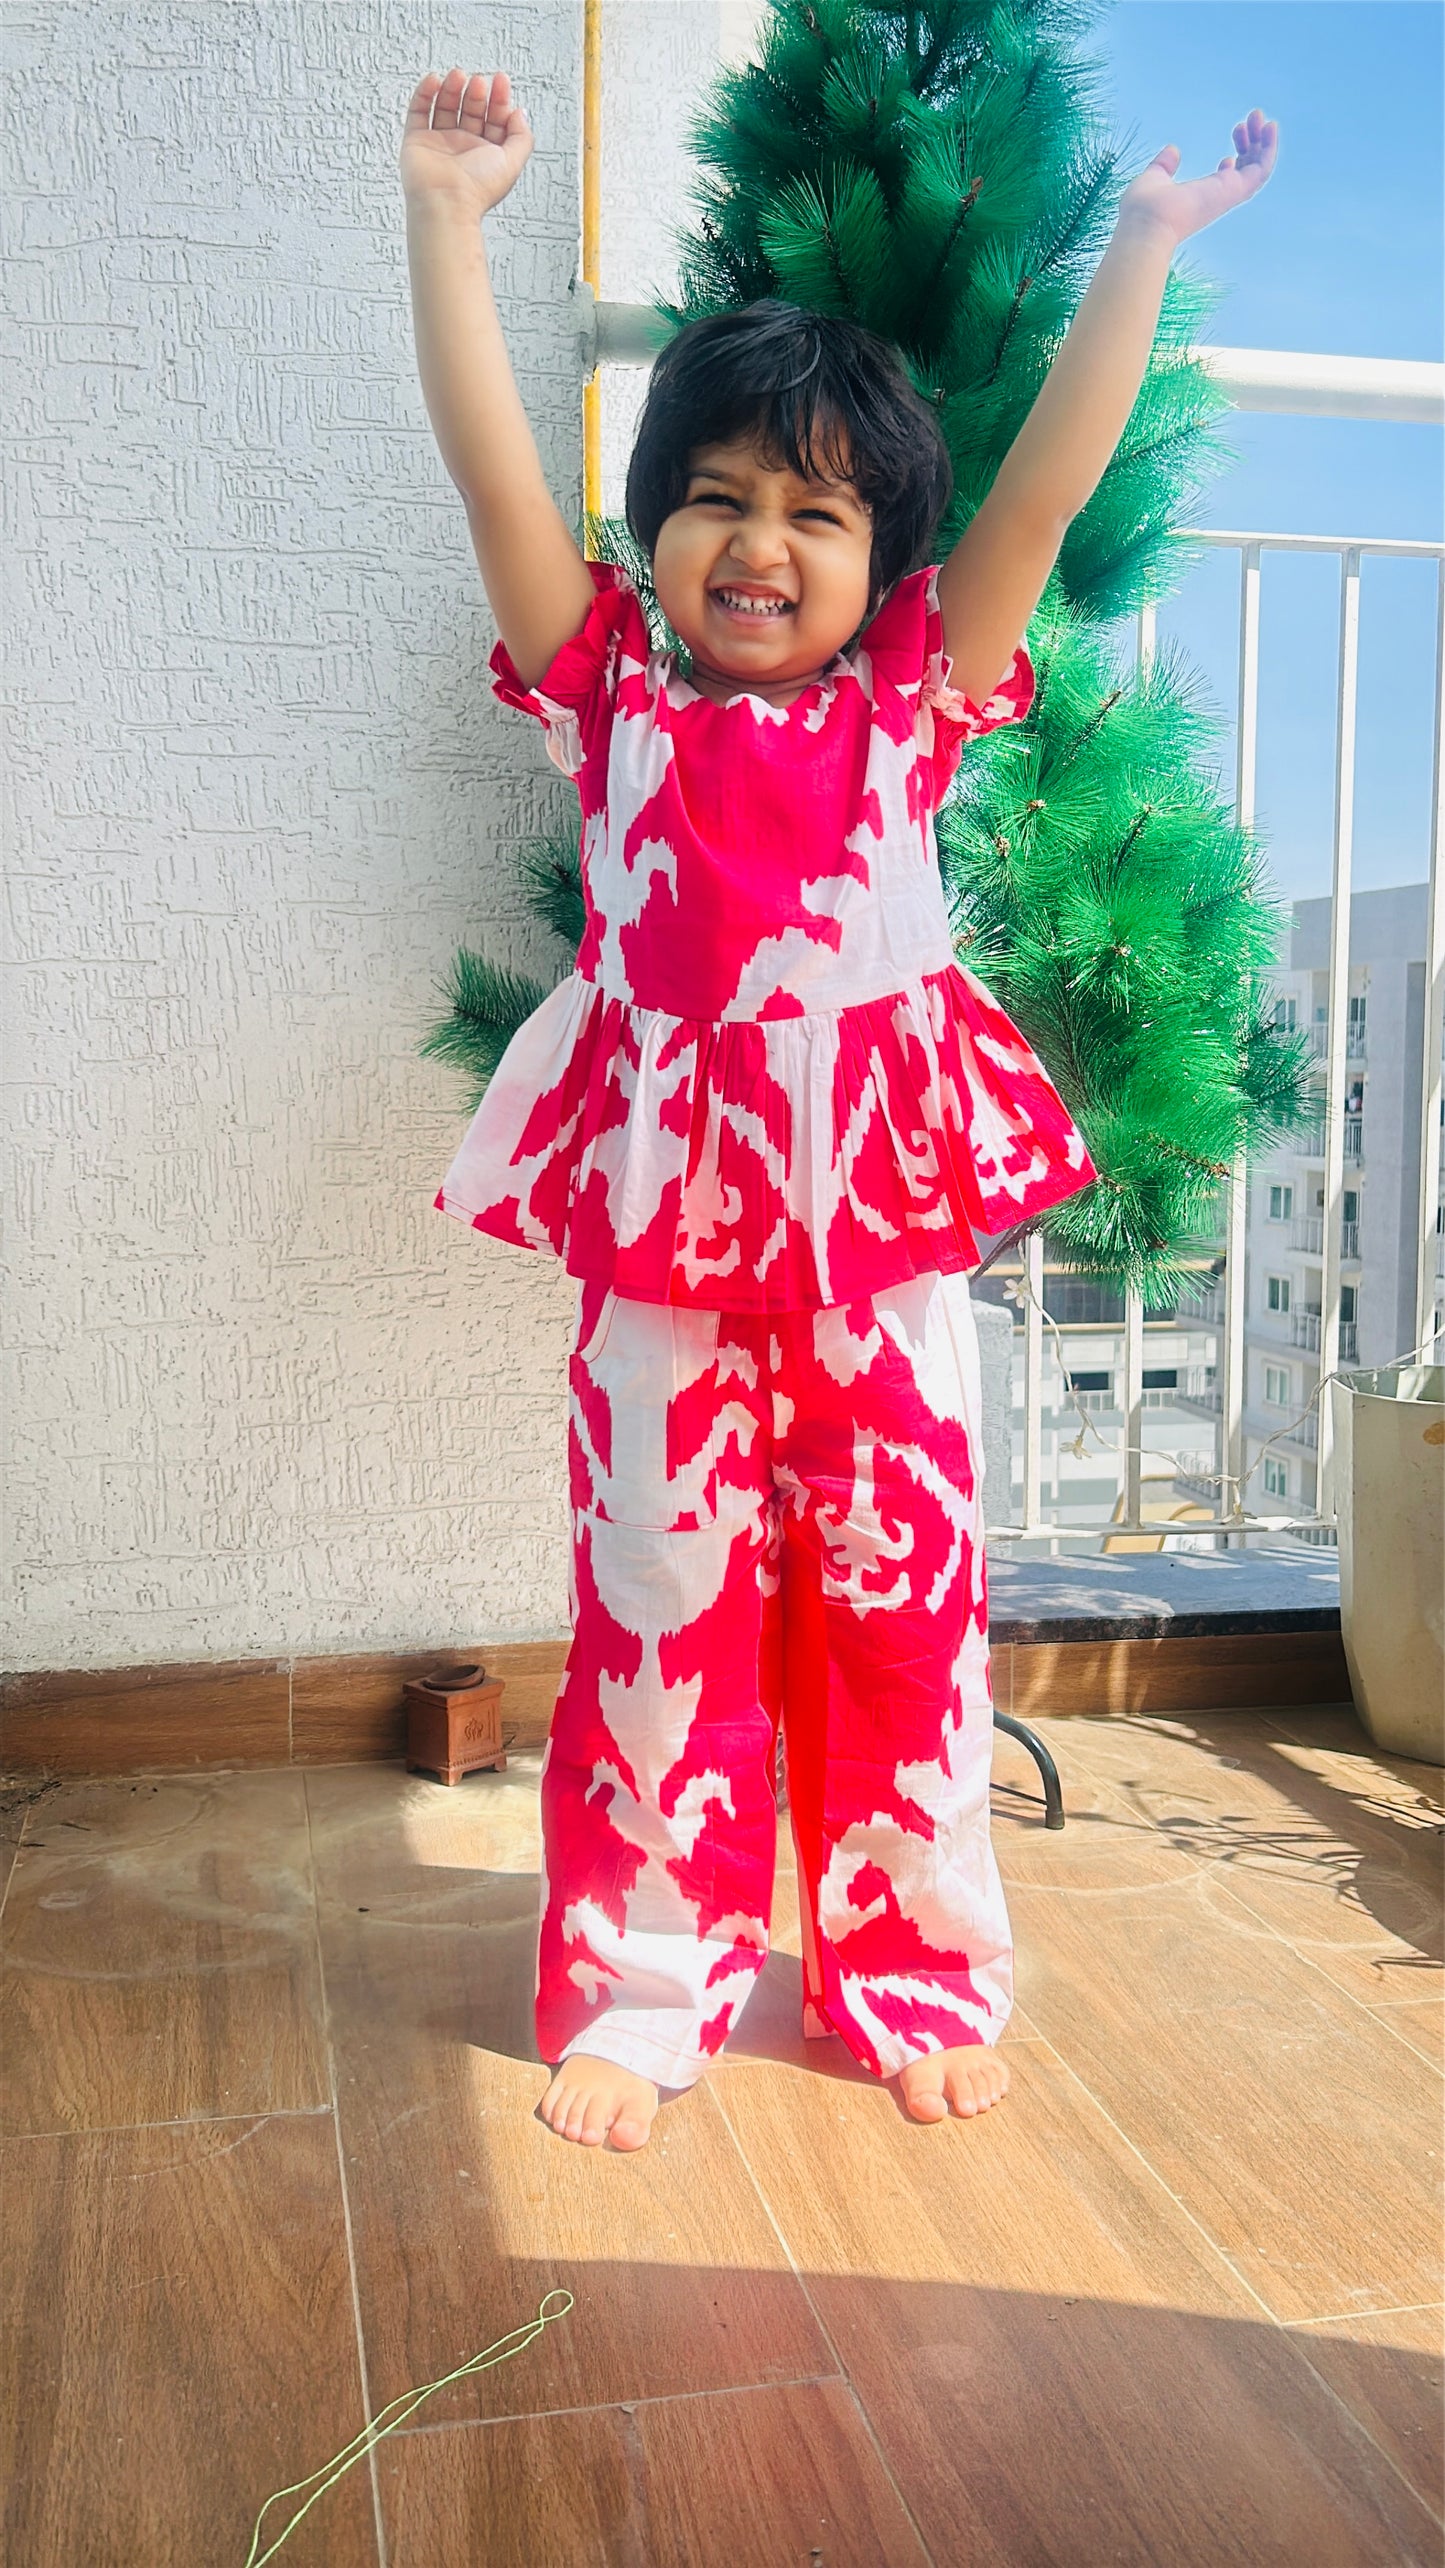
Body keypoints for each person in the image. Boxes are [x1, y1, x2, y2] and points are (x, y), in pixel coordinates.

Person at [401, 66, 1278, 2151]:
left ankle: (906, 1965)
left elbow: (1047, 499)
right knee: (653, 1598)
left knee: (902, 1606)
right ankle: (649, 1973)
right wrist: (451, 220)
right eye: (716, 494)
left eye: (817, 509)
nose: (760, 542)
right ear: (657, 527)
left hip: (874, 1239)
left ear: (882, 557)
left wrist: (1141, 248)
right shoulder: (602, 682)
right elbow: (489, 474)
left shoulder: (912, 694)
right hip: (662, 1248)